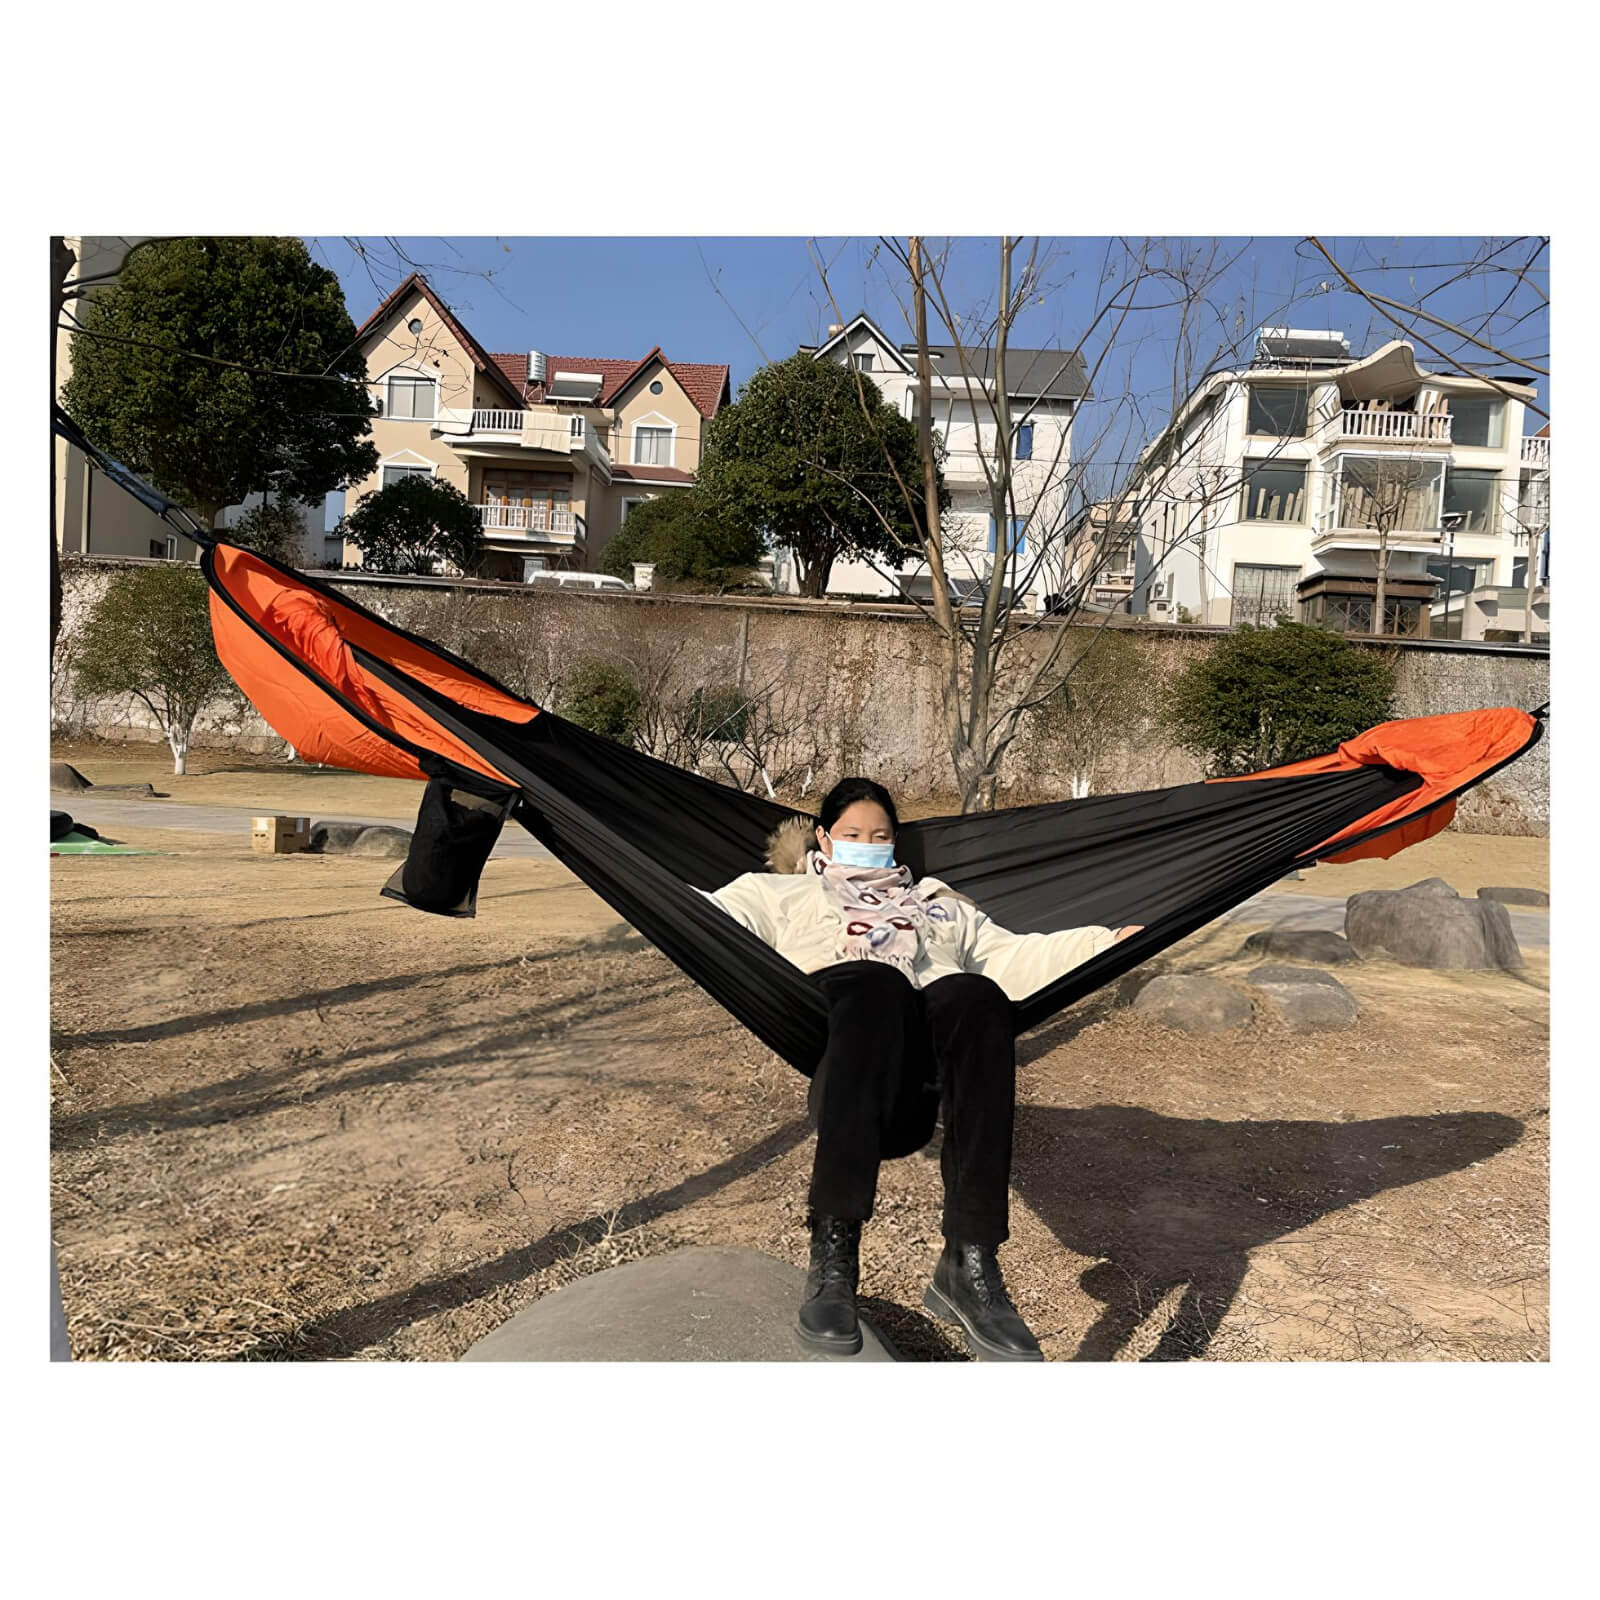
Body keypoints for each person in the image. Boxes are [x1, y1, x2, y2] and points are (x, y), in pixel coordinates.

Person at [708, 776, 1142, 1361]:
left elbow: (1009, 954)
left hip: (927, 1077)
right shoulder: (780, 894)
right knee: (877, 980)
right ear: (824, 840)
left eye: (881, 835)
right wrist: (631, 875)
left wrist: (1103, 942)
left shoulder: (937, 900)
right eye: (853, 834)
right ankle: (834, 1255)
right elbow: (704, 916)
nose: (869, 843)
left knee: (978, 996)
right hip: (848, 1057)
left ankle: (970, 1259)